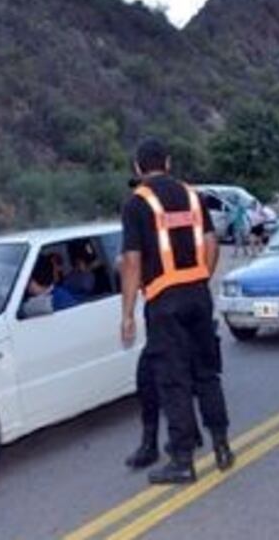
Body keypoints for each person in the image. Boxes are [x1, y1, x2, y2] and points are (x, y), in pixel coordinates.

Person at [120, 137, 233, 484]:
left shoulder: (136, 203)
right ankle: (221, 445)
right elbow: (212, 245)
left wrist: (127, 313)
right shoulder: (193, 196)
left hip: (164, 302)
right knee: (206, 372)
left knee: (174, 380)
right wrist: (199, 279)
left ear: (138, 168)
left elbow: (131, 260)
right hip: (198, 294)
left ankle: (183, 460)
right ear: (167, 162)